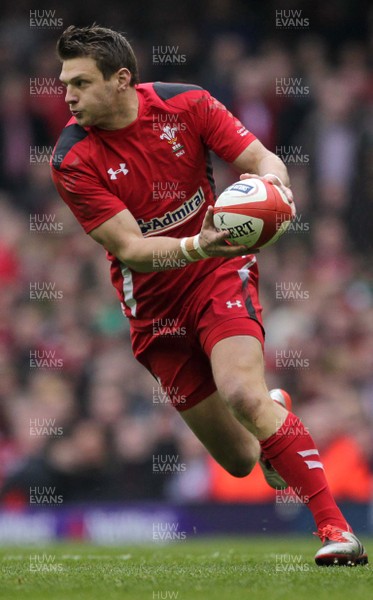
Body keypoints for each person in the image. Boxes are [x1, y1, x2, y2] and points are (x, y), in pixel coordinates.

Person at [50, 25, 367, 566]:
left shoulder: (188, 104)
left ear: (122, 79)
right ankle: (275, 413)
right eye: (64, 83)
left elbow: (265, 161)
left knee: (242, 393)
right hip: (154, 312)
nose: (67, 96)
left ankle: (337, 532)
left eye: (80, 82)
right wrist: (200, 241)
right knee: (241, 460)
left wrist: (277, 193)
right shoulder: (72, 157)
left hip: (219, 273)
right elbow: (131, 248)